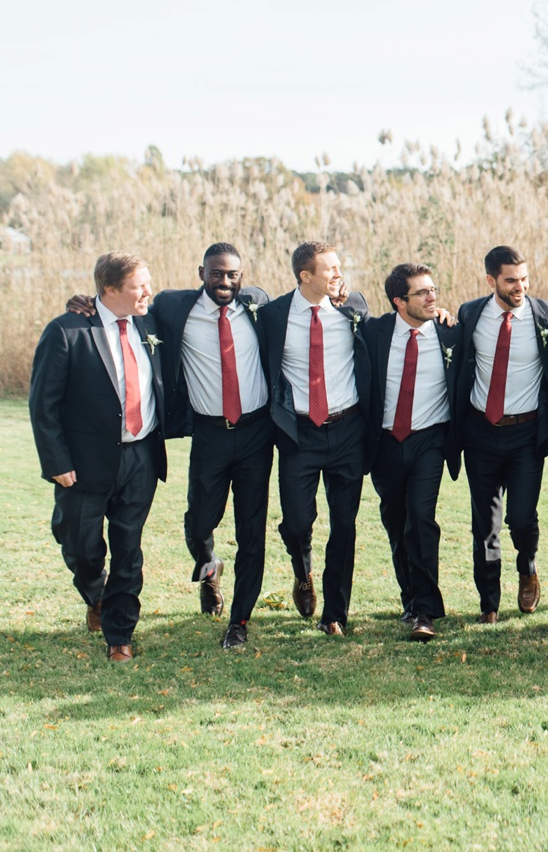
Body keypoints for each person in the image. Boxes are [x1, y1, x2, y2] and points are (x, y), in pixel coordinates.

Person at [65, 243, 273, 650]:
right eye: (216, 274)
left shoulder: (259, 304)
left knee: (252, 531)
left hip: (256, 434)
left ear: (243, 276)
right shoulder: (172, 308)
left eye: (233, 274)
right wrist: (84, 303)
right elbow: (118, 311)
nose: (225, 282)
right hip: (209, 434)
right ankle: (208, 566)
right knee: (199, 523)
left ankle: (239, 622)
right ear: (201, 273)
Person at [30, 252, 167, 662]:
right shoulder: (68, 331)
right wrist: (57, 463)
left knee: (129, 548)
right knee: (78, 542)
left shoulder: (153, 322)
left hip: (140, 456)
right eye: (137, 286)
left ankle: (119, 635)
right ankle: (95, 591)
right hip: (84, 464)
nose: (148, 292)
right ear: (109, 290)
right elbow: (44, 404)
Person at [258, 241, 374, 637]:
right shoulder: (272, 315)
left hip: (347, 430)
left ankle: (335, 613)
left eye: (339, 267)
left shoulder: (353, 307)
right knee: (295, 521)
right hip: (299, 433)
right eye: (329, 269)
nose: (338, 274)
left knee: (345, 525)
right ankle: (302, 565)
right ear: (305, 276)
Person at [450, 246, 548, 622]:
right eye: (511, 280)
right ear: (491, 280)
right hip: (480, 432)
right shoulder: (470, 314)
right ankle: (489, 603)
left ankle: (527, 567)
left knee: (521, 517)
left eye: (524, 279)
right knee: (484, 523)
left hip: (526, 435)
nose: (520, 287)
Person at [363, 263, 458, 641]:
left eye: (433, 289)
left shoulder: (451, 334)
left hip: (429, 440)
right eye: (422, 293)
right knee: (396, 521)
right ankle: (410, 595)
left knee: (421, 517)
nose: (432, 297)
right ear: (399, 301)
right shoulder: (374, 332)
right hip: (385, 442)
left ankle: (425, 609)